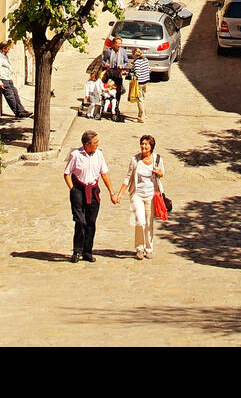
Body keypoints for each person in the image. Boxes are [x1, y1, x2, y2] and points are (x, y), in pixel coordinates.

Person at [63, 130, 118, 263]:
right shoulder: (75, 155)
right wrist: (73, 190)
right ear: (87, 144)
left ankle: (88, 251)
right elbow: (67, 174)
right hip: (79, 191)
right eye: (95, 142)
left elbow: (104, 174)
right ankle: (77, 251)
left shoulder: (99, 155)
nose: (97, 144)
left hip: (93, 192)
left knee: (91, 223)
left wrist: (111, 192)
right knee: (80, 222)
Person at [116, 134, 165, 259]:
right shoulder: (135, 160)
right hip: (137, 194)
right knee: (140, 221)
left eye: (146, 144)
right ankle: (139, 248)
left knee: (149, 223)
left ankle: (149, 248)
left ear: (151, 147)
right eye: (142, 144)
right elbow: (128, 178)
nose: (143, 146)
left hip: (151, 195)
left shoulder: (157, 159)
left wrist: (158, 172)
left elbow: (162, 173)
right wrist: (120, 194)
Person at [0, 40, 31, 120]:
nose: (9, 50)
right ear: (4, 48)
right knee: (10, 96)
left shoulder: (5, 55)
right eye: (8, 49)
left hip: (8, 77)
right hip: (3, 78)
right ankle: (18, 113)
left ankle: (21, 110)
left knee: (15, 93)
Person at [101, 35, 130, 120]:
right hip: (110, 72)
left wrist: (123, 66)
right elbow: (103, 60)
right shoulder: (109, 51)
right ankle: (106, 106)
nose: (119, 45)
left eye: (120, 44)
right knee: (107, 88)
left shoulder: (123, 52)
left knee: (118, 91)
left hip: (118, 73)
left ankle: (116, 107)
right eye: (117, 44)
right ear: (113, 44)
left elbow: (126, 62)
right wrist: (105, 64)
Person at [130, 47, 151, 122]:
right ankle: (144, 114)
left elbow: (137, 73)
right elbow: (149, 69)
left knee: (140, 99)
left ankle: (141, 117)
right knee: (143, 98)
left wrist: (131, 73)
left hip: (139, 82)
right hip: (145, 81)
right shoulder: (145, 59)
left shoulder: (137, 62)